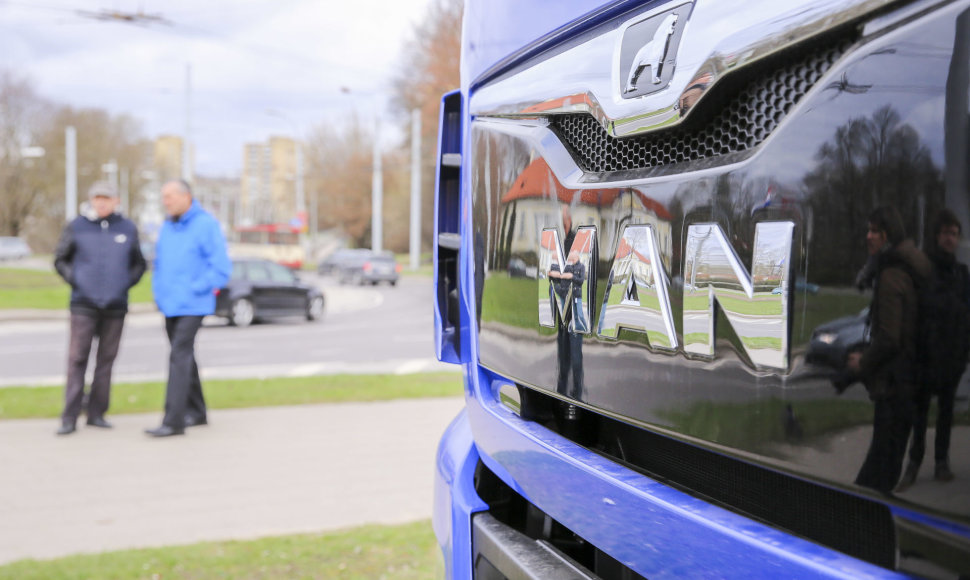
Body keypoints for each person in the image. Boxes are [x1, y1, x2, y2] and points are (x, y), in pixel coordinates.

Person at [846, 206, 931, 494]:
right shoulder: (912, 265)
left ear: (887, 236)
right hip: (909, 380)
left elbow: (890, 338)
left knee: (877, 471)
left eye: (874, 231)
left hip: (894, 383)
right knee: (888, 462)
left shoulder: (891, 274)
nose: (868, 237)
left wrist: (863, 361)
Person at [53, 181, 147, 435]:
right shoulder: (77, 226)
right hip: (83, 304)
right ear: (91, 200)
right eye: (97, 198)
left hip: (115, 306)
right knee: (77, 359)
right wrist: (78, 280)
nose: (101, 202)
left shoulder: (127, 228)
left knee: (105, 362)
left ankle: (97, 413)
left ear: (116, 200)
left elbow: (139, 264)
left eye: (106, 198)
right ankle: (69, 417)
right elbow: (60, 259)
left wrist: (123, 284)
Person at [145, 180, 231, 437]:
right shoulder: (167, 227)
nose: (166, 201)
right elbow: (161, 264)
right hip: (170, 304)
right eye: (163, 197)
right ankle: (198, 412)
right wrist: (159, 292)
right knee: (184, 355)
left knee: (178, 356)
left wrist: (198, 287)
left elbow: (221, 268)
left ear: (186, 197)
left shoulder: (206, 225)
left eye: (169, 196)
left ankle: (174, 420)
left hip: (194, 303)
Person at [896, 209, 969, 490]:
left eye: (954, 234)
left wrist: (964, 352)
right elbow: (913, 313)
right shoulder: (924, 270)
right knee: (920, 414)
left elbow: (966, 315)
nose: (949, 238)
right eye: (945, 233)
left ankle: (942, 462)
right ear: (937, 236)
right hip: (925, 358)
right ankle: (914, 463)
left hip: (952, 358)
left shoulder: (962, 274)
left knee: (946, 413)